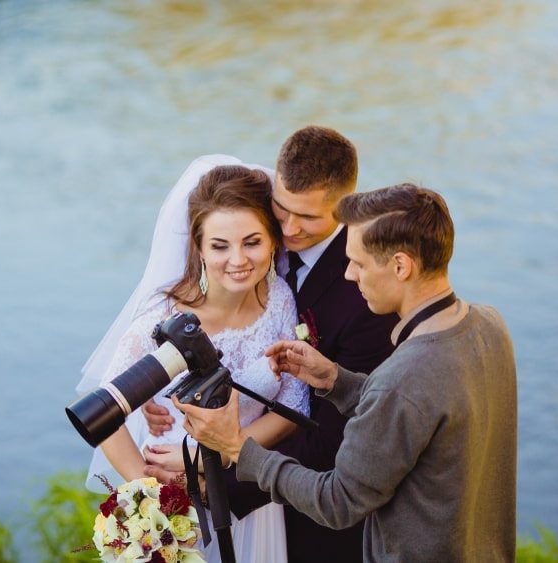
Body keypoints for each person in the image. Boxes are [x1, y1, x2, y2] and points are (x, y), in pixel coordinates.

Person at [175, 184, 518, 562]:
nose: (350, 275)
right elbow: (417, 410)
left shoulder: (402, 378)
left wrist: (238, 448)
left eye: (358, 263)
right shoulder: (489, 324)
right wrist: (335, 380)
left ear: (401, 266)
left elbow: (337, 502)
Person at [142, 126, 398, 562]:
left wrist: (213, 473)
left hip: (307, 516)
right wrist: (155, 390)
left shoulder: (366, 299)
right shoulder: (256, 237)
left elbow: (334, 440)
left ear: (346, 207)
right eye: (281, 209)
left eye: (310, 218)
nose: (290, 229)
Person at [76, 156, 309, 562]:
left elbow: (292, 407)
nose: (237, 260)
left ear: (273, 240)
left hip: (250, 495)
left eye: (251, 241)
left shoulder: (281, 303)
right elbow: (103, 412)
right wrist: (148, 490)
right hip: (177, 502)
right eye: (220, 245)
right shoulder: (166, 317)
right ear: (198, 247)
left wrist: (213, 455)